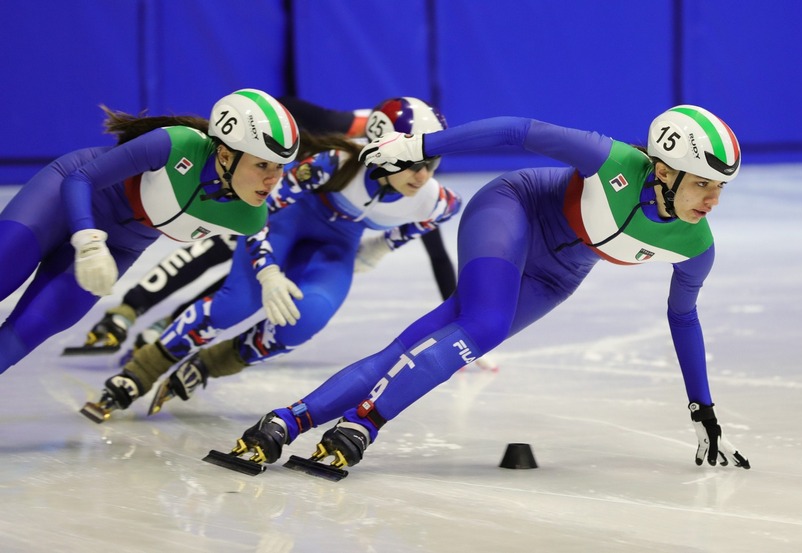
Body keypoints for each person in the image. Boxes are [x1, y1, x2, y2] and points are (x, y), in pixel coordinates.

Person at [223, 105, 751, 473]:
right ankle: (365, 425)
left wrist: (702, 409)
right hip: (512, 209)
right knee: (485, 324)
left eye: (721, 187)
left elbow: (683, 317)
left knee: (434, 341)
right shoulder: (610, 160)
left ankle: (287, 420)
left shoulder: (696, 244)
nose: (713, 200)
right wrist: (420, 147)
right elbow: (518, 130)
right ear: (662, 170)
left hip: (558, 273)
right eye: (703, 183)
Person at [81, 97, 466, 422]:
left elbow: (445, 212)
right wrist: (267, 272)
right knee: (234, 303)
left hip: (336, 245)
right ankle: (142, 369)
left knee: (305, 319)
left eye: (431, 163)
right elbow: (258, 216)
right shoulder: (335, 162)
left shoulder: (433, 198)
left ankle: (208, 364)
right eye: (413, 162)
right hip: (286, 221)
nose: (422, 174)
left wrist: (382, 247)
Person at [0, 89, 299, 375]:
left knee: (29, 330)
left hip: (120, 247)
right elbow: (81, 179)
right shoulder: (176, 145)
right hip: (64, 200)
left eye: (281, 167)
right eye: (262, 165)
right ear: (224, 155)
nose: (273, 179)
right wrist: (87, 239)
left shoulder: (249, 215)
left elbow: (259, 242)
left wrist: (268, 275)